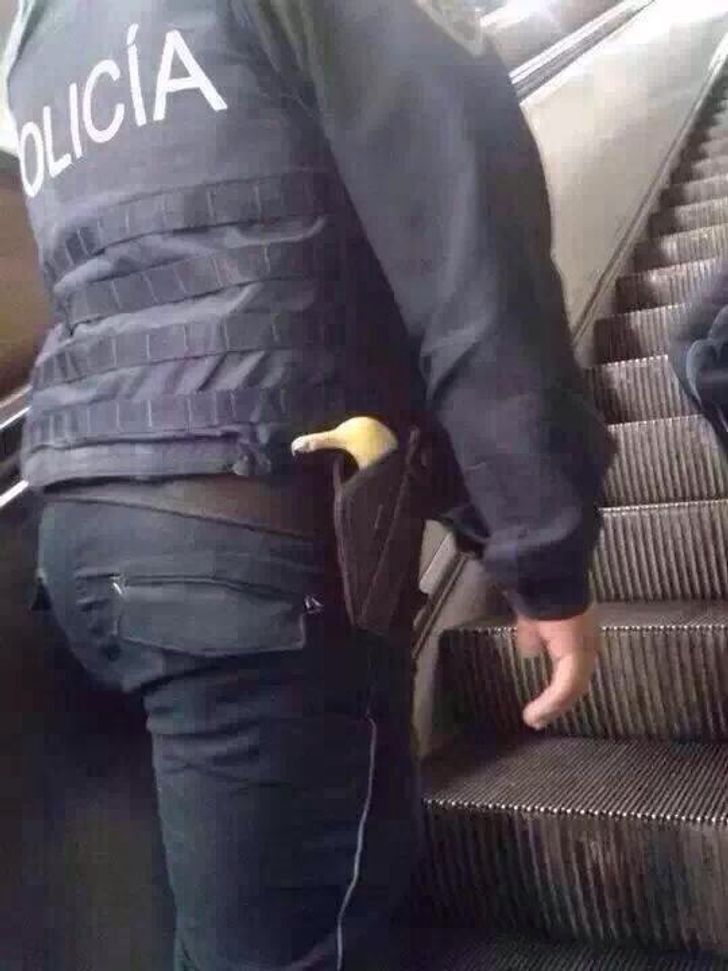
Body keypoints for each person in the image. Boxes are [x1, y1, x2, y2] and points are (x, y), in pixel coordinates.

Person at [3, 1, 612, 968]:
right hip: (249, 563)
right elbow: (468, 251)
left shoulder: (40, 34)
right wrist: (541, 549)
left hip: (82, 536)